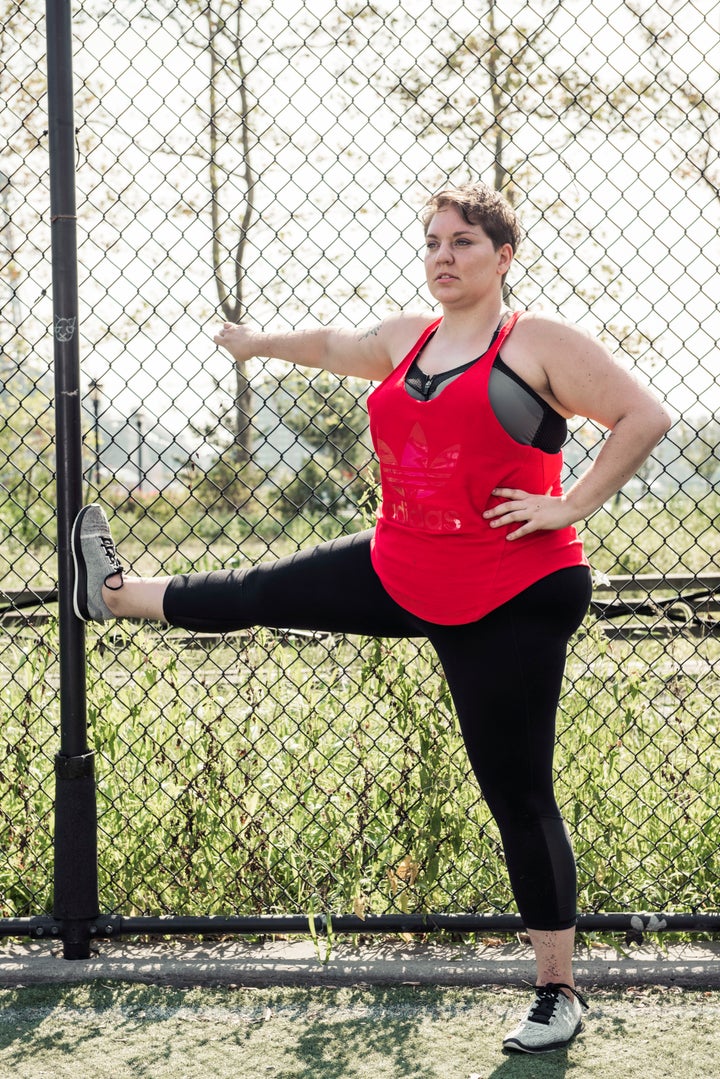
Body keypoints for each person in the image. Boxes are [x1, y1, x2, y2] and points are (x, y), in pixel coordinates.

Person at [71, 182, 670, 1054]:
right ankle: (115, 593)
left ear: (503, 256)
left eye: (464, 241)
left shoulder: (535, 341)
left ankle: (557, 991)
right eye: (432, 241)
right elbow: (333, 344)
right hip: (402, 564)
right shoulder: (409, 338)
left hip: (510, 590)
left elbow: (642, 416)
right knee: (256, 591)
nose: (443, 255)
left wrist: (567, 505)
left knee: (517, 792)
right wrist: (253, 343)